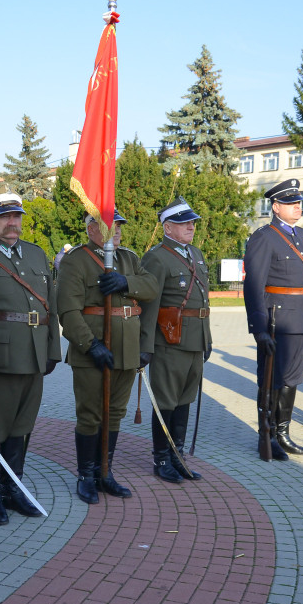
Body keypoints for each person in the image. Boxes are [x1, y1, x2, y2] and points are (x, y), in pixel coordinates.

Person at [0, 185, 60, 524]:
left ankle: (12, 487)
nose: (12, 222)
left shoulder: (35, 254)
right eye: (4, 216)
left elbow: (51, 306)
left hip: (33, 355)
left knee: (22, 426)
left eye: (16, 216)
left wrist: (52, 349)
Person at [57, 211, 159, 503]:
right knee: (90, 415)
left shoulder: (128, 258)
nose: (116, 232)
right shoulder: (77, 260)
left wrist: (126, 283)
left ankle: (105, 472)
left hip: (126, 349)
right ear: (91, 229)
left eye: (119, 227)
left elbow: (151, 287)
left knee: (115, 413)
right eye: (108, 227)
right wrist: (91, 345)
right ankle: (86, 476)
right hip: (93, 350)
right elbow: (68, 310)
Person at [243, 179, 303, 461]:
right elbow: (254, 286)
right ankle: (268, 435)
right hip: (279, 321)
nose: (298, 207)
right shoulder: (264, 237)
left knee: (292, 378)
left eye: (299, 203)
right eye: (291, 203)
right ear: (276, 207)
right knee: (272, 379)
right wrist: (259, 329)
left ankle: (283, 433)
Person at [139, 196, 209, 483]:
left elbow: (202, 301)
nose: (191, 226)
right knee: (165, 402)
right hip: (169, 342)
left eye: (192, 222)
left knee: (185, 401)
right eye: (184, 223)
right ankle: (161, 460)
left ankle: (178, 456)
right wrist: (145, 346)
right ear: (168, 227)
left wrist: (208, 338)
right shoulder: (156, 257)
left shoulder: (196, 254)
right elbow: (149, 305)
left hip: (195, 341)